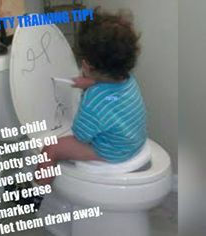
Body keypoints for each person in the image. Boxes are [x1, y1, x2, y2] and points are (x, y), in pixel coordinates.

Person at [36, 8, 147, 185]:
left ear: (86, 65)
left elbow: (81, 136)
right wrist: (90, 83)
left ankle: (36, 193)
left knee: (50, 149)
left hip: (111, 152)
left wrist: (88, 90)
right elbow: (111, 97)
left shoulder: (93, 102)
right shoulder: (128, 81)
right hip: (133, 142)